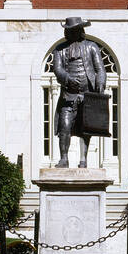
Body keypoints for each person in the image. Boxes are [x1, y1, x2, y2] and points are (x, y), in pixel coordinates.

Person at [50, 16, 106, 169]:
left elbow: (100, 69)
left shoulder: (91, 46)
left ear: (80, 30)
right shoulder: (59, 49)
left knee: (86, 128)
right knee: (65, 126)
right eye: (70, 30)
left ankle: (83, 160)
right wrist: (67, 79)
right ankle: (64, 159)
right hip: (69, 95)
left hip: (88, 94)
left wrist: (100, 84)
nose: (73, 33)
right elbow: (57, 69)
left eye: (76, 30)